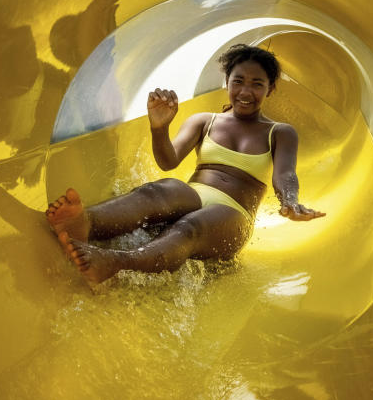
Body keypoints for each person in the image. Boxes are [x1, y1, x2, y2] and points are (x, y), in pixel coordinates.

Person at [45, 44, 325, 284]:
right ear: (227, 81)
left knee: (191, 227)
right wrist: (159, 128)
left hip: (232, 215)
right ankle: (86, 222)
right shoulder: (205, 121)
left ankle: (116, 262)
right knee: (160, 190)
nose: (245, 91)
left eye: (257, 84)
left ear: (271, 89)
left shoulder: (280, 132)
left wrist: (290, 200)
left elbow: (285, 173)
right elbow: (168, 161)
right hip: (193, 194)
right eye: (238, 81)